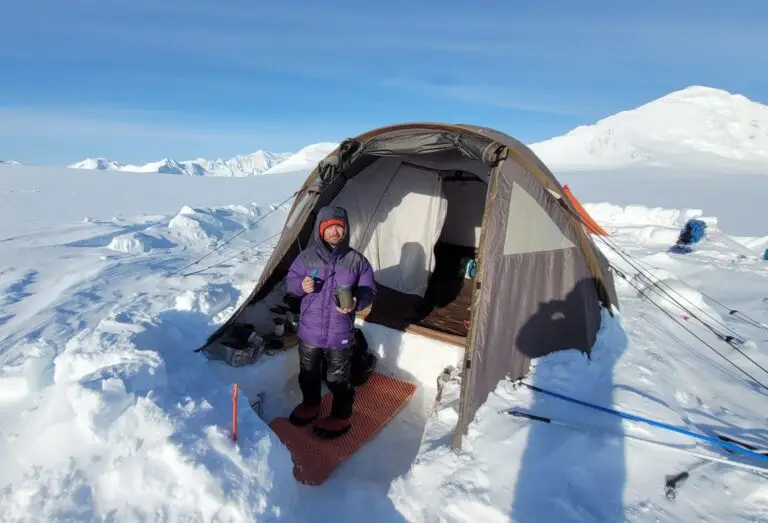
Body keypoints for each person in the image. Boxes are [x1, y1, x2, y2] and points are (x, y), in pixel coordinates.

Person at [284, 205, 377, 438]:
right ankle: (311, 405)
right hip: (310, 331)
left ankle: (341, 417)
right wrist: (299, 286)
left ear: (345, 229)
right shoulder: (306, 258)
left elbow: (369, 290)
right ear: (320, 230)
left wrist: (356, 301)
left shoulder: (357, 261)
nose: (335, 232)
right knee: (308, 374)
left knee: (337, 378)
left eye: (339, 226)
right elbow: (290, 282)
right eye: (329, 227)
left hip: (340, 333)